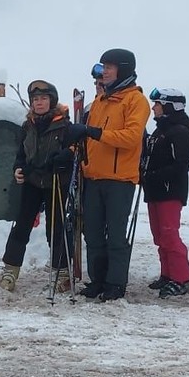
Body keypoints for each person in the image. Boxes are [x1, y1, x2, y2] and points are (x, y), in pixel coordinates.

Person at [65, 49, 149, 301]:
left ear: (123, 69)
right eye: (103, 67)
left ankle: (115, 283)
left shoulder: (136, 101)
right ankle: (97, 280)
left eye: (109, 67)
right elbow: (91, 139)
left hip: (119, 180)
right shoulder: (101, 101)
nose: (105, 71)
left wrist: (91, 132)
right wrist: (73, 148)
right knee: (92, 233)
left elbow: (131, 138)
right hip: (93, 176)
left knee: (115, 234)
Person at [0, 80, 73, 293]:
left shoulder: (65, 125)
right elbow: (21, 154)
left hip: (55, 182)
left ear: (52, 100)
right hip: (32, 181)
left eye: (43, 99)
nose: (38, 103)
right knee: (21, 225)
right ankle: (10, 269)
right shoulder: (28, 125)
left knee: (56, 229)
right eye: (35, 99)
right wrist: (18, 168)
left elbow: (74, 154)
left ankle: (62, 272)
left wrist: (65, 157)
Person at [143, 88, 189, 298]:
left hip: (169, 191)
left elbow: (181, 164)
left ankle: (182, 278)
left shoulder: (179, 131)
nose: (153, 108)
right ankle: (167, 273)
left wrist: (153, 175)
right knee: (159, 235)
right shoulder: (161, 130)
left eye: (157, 104)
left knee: (169, 234)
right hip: (156, 190)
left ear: (169, 106)